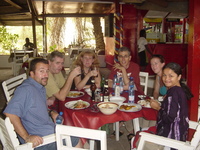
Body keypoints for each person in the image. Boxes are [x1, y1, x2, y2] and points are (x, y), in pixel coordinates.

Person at [3, 58, 82, 150]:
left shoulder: (39, 87)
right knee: (75, 140)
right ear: (32, 74)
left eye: (47, 71)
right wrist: (27, 137)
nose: (45, 75)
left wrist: (51, 112)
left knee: (72, 130)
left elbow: (36, 107)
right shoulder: (26, 89)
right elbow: (10, 113)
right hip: (40, 140)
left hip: (46, 128)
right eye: (41, 71)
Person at [132, 62, 193, 150]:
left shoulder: (174, 92)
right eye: (164, 75)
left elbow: (169, 118)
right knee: (144, 128)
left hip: (171, 137)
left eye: (171, 76)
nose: (166, 79)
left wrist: (157, 108)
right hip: (179, 133)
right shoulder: (179, 90)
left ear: (179, 77)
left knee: (138, 136)